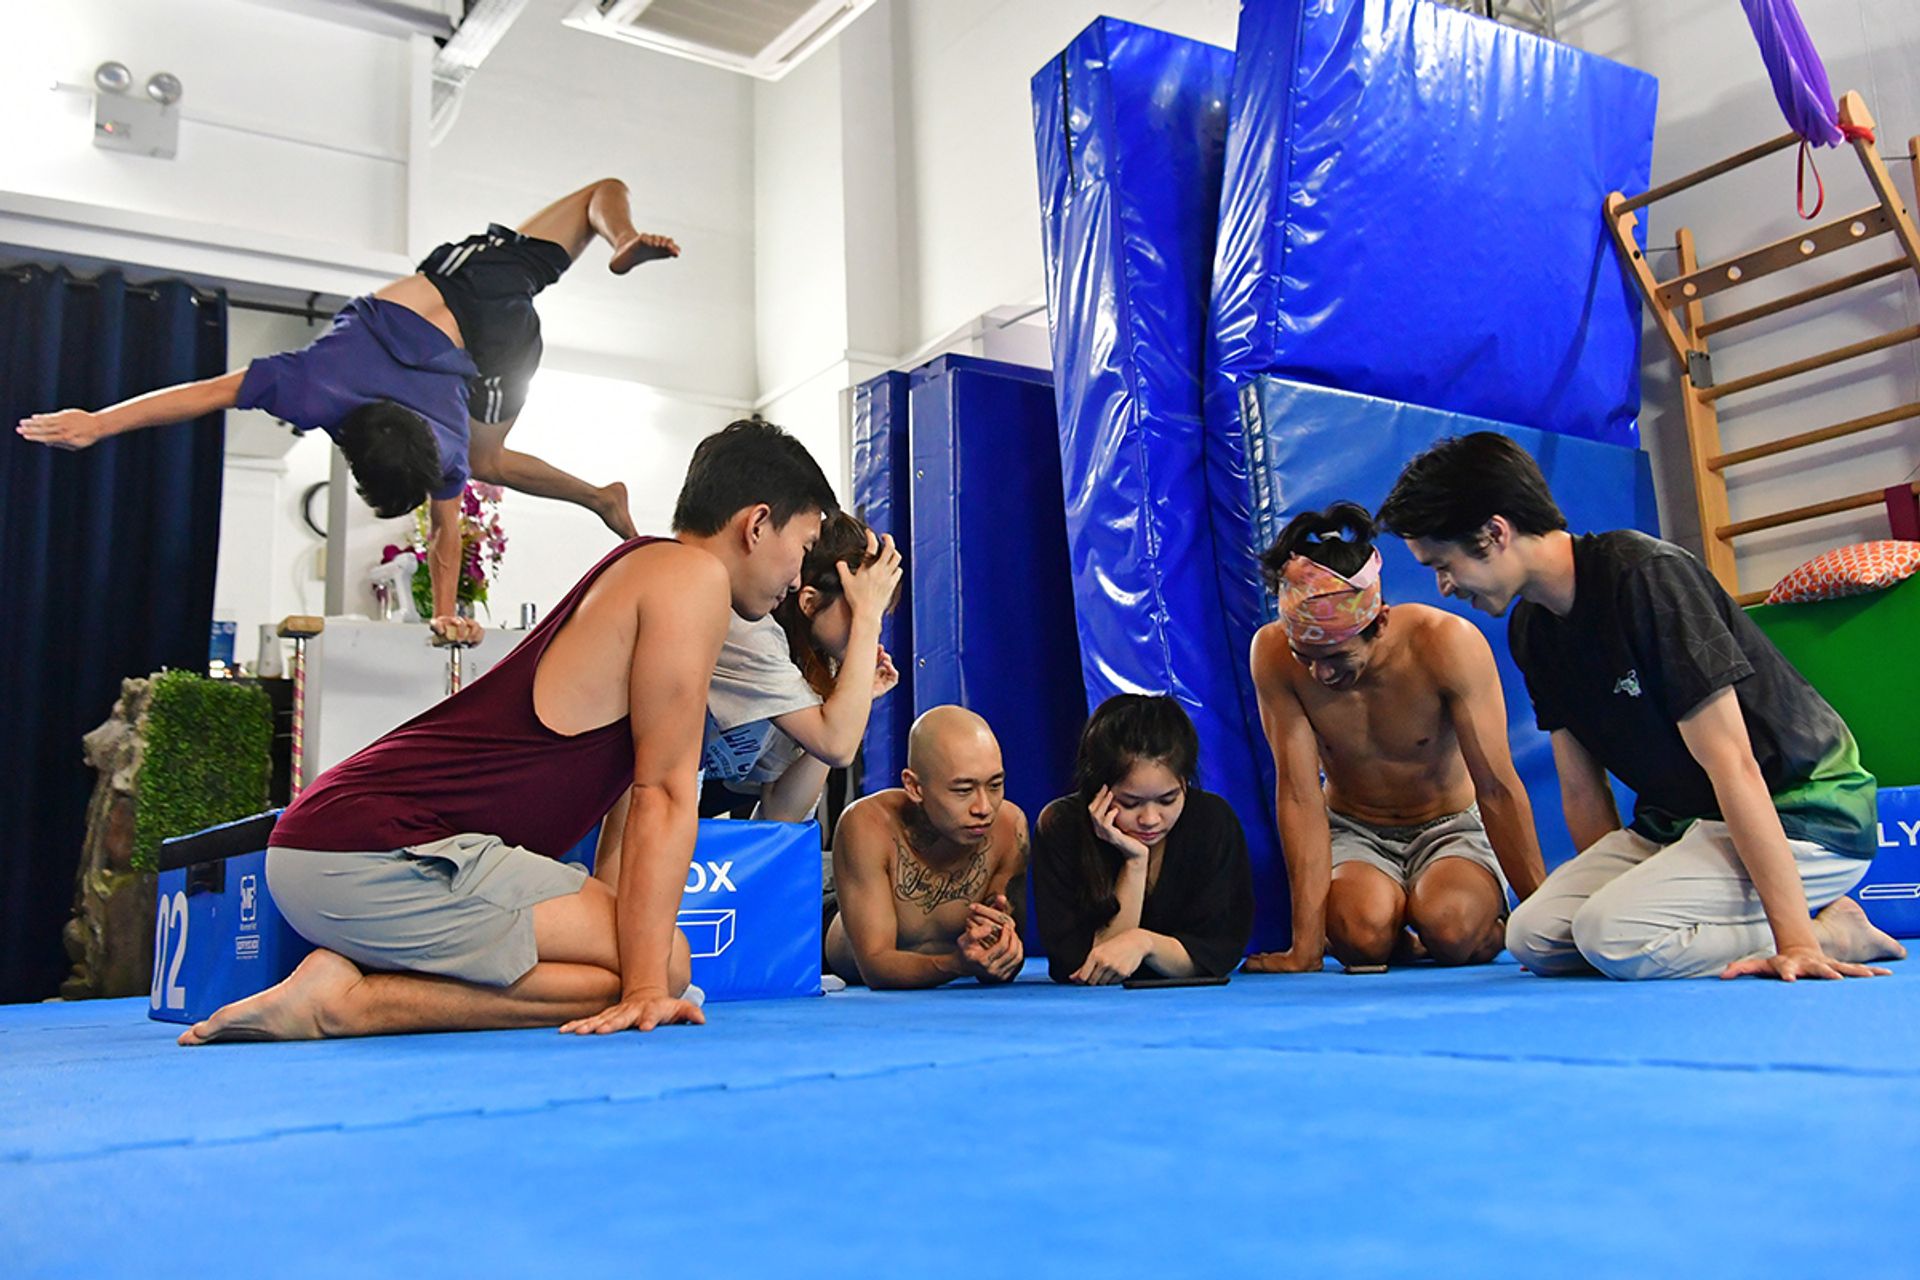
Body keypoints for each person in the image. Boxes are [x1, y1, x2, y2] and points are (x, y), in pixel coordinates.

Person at [175, 418, 837, 1044]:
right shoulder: (689, 578)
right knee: (662, 965)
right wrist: (643, 987)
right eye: (804, 548)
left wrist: (635, 961)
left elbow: (631, 803)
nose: (798, 576)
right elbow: (667, 790)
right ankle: (346, 1005)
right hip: (373, 851)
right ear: (755, 524)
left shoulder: (650, 571)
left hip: (340, 844)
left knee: (654, 956)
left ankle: (337, 985)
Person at [17, 178, 677, 642]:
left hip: (495, 342)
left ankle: (598, 497)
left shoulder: (437, 444)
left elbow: (447, 537)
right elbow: (203, 393)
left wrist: (445, 616)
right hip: (478, 285)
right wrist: (96, 422)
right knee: (599, 193)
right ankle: (618, 239)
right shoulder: (315, 388)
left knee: (487, 460)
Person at [1377, 431, 1906, 981]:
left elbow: (1735, 766)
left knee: (1613, 936)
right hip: (1682, 826)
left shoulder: (1648, 577)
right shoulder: (1532, 629)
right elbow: (1583, 789)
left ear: (1494, 533)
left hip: (1799, 813)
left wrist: (1797, 942)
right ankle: (1650, 924)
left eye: (1443, 564)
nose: (1442, 587)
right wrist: (1606, 895)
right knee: (1536, 936)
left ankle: (1831, 928)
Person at [1242, 504, 1546, 976]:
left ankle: (1476, 921)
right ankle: (1397, 927)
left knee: (1452, 929)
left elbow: (1496, 786)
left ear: (1379, 623)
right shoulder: (1273, 654)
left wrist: (1542, 924)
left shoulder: (1446, 644)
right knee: (1358, 937)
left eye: (1337, 657)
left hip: (1449, 826)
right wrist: (1305, 948)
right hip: (1355, 830)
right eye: (1307, 656)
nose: (1321, 674)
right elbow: (1300, 796)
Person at [1031, 694, 1253, 984]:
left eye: (1167, 799)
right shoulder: (1063, 827)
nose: (1150, 819)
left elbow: (1216, 953)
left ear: (1185, 783)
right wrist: (1135, 862)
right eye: (1130, 803)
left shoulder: (1212, 823)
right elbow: (1086, 966)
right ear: (1099, 789)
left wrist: (1143, 943)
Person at [702, 513, 904, 821]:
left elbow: (782, 812)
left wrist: (841, 697)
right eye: (863, 605)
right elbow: (837, 746)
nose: (874, 629)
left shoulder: (817, 667)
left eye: (879, 611)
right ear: (809, 602)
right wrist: (865, 618)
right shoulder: (749, 635)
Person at [824, 706, 1028, 988]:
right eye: (963, 790)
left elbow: (1001, 960)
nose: (983, 808)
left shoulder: (1010, 827)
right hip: (824, 916)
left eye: (995, 785)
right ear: (914, 786)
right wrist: (956, 964)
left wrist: (1002, 951)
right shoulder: (869, 823)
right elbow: (874, 966)